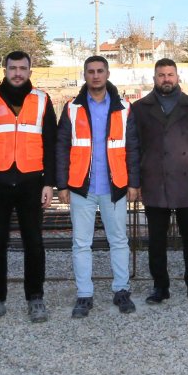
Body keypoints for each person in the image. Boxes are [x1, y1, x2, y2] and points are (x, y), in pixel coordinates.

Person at [0, 50, 58, 326]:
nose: (17, 73)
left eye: (22, 68)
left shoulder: (42, 100)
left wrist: (49, 182)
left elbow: (51, 143)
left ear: (30, 71)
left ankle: (35, 297)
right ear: (5, 70)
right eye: (13, 68)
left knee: (34, 242)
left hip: (31, 183)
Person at [127, 58, 188, 304]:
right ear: (154, 78)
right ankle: (160, 286)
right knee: (156, 241)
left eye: (170, 74)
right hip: (154, 180)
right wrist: (135, 182)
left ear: (177, 77)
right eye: (161, 75)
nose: (166, 79)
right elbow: (134, 147)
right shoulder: (140, 107)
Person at [56, 56, 136, 317]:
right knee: (81, 243)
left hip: (115, 187)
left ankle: (121, 290)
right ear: (85, 75)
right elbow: (62, 147)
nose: (96, 75)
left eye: (100, 71)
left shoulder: (124, 108)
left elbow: (133, 148)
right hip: (82, 187)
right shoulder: (72, 108)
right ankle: (84, 294)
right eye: (90, 71)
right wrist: (62, 185)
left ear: (108, 73)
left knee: (119, 241)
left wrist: (134, 183)